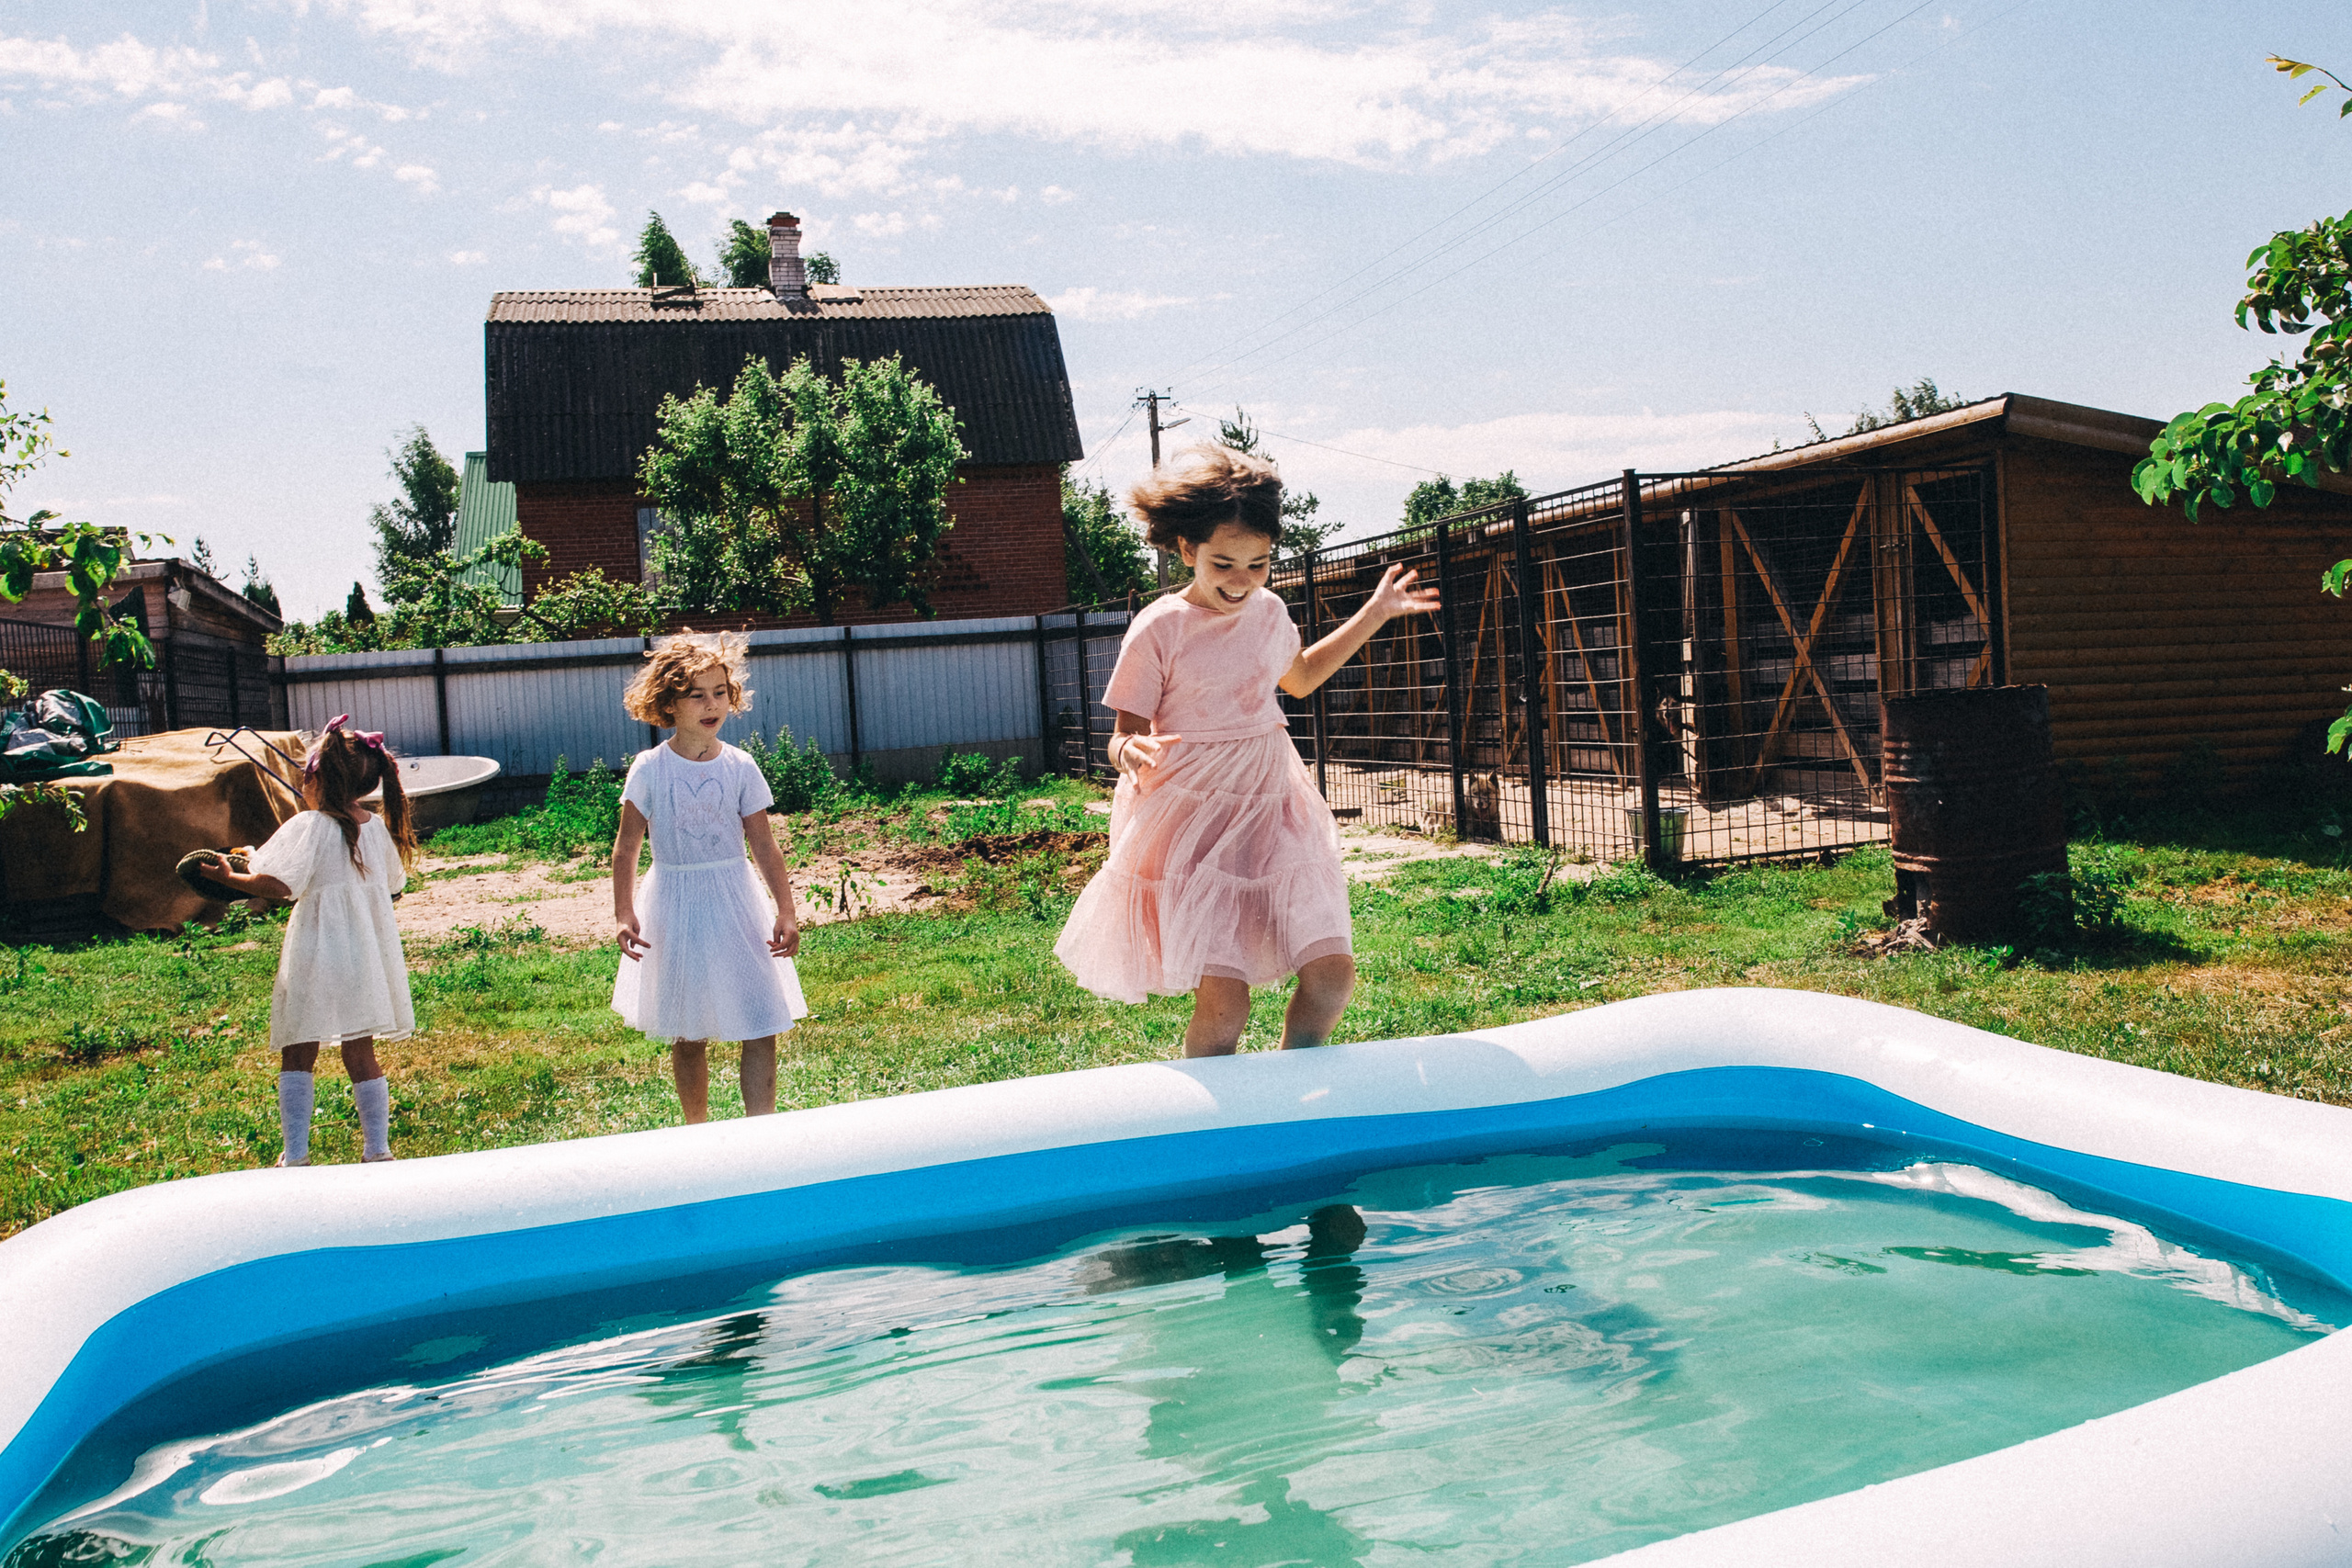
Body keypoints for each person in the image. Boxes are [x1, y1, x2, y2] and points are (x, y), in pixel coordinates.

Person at [1054, 446, 1440, 1055]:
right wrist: (1129, 751)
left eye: (1257, 564)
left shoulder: (1269, 613)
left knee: (1333, 978)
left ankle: (1294, 1078)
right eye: (1224, 563)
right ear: (1187, 550)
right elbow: (1121, 735)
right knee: (1227, 1004)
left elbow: (1303, 676)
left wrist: (1375, 612)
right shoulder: (1160, 627)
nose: (1242, 580)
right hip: (1197, 828)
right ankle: (1219, 1128)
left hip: (1271, 810)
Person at [204, 716, 416, 1167]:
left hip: (316, 951)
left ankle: (296, 1155)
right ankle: (378, 1150)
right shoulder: (375, 829)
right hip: (364, 954)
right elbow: (394, 885)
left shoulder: (308, 826)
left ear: (316, 777)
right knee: (361, 1050)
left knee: (299, 1048)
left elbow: (279, 884)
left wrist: (233, 875)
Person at [612, 629, 806, 1122]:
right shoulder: (650, 768)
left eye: (719, 692)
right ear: (667, 703)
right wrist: (624, 912)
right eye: (696, 695)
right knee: (688, 1029)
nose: (710, 703)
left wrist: (786, 909)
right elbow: (627, 846)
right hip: (675, 903)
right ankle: (697, 1132)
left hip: (737, 900)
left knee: (761, 1020)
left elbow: (764, 844)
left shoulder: (741, 766)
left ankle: (761, 1128)